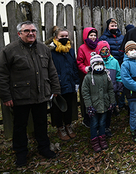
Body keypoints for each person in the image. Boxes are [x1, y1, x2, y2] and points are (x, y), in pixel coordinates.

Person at [0, 21, 60, 167]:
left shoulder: (43, 49)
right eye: (27, 31)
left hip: (41, 94)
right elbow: (2, 75)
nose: (31, 33)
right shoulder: (9, 50)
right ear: (19, 33)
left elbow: (51, 70)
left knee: (41, 123)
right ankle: (21, 154)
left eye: (33, 30)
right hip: (20, 96)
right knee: (20, 126)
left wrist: (56, 89)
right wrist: (6, 96)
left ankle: (44, 148)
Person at [46, 27, 80, 141]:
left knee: (69, 106)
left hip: (70, 83)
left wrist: (76, 81)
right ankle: (60, 128)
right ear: (56, 37)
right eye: (62, 36)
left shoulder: (70, 49)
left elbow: (74, 66)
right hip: (58, 84)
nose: (64, 38)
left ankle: (68, 125)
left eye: (66, 36)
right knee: (57, 108)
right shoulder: (51, 50)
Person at [82, 53, 116, 152]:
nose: (99, 66)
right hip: (94, 105)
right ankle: (94, 141)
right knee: (94, 123)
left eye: (101, 63)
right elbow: (85, 92)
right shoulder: (88, 77)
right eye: (96, 64)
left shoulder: (106, 75)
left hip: (104, 104)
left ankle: (102, 139)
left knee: (102, 123)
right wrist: (89, 106)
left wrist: (112, 102)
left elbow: (110, 89)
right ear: (92, 65)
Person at [95, 40, 123, 137]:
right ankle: (99, 128)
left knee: (109, 111)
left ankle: (107, 127)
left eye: (106, 50)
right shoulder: (96, 62)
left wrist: (119, 89)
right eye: (102, 50)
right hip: (99, 92)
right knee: (100, 111)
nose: (105, 51)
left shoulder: (114, 61)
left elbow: (119, 76)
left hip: (112, 91)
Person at [77, 27, 99, 128]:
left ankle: (97, 117)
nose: (93, 37)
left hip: (98, 76)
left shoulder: (98, 46)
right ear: (86, 36)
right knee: (89, 99)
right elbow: (79, 62)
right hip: (88, 77)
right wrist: (86, 68)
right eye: (91, 35)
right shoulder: (82, 48)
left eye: (94, 35)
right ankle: (87, 119)